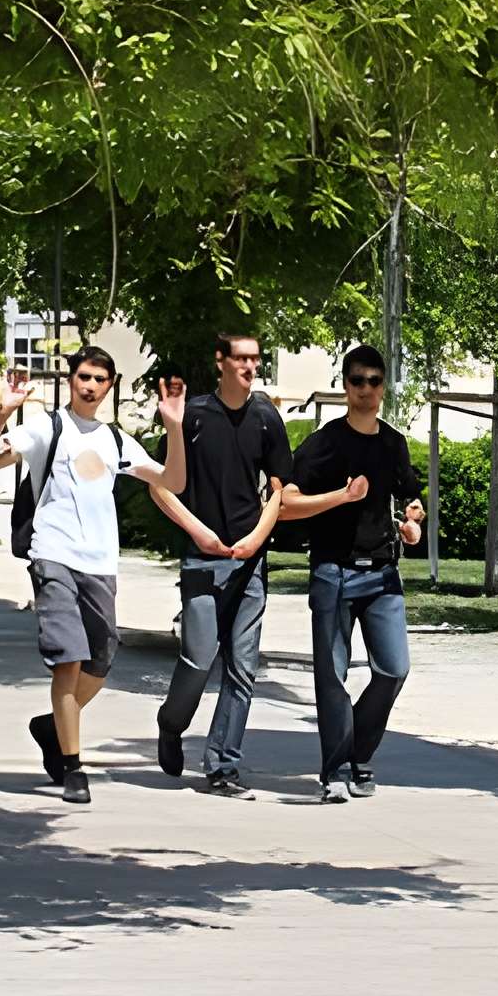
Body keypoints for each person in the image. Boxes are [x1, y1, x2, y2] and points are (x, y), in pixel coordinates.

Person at [0, 349, 189, 805]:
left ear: (110, 386)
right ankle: (73, 766)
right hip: (53, 556)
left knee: (101, 658)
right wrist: (2, 415)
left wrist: (173, 425)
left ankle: (51, 727)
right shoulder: (45, 428)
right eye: (83, 377)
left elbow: (174, 480)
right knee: (68, 659)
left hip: (100, 563)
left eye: (100, 380)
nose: (90, 386)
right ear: (71, 380)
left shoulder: (115, 440)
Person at [280, 345, 427, 802]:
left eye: (374, 381)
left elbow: (413, 498)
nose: (366, 390)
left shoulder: (392, 443)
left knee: (393, 669)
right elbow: (286, 501)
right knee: (332, 675)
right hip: (333, 572)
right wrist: (339, 499)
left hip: (382, 575)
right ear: (345, 386)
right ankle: (337, 771)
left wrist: (412, 521)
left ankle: (358, 753)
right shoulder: (325, 442)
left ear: (384, 388)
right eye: (358, 381)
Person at [151, 328, 294, 798]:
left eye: (256, 359)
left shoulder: (267, 417)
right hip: (201, 558)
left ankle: (222, 767)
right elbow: (160, 487)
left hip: (250, 562)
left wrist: (256, 539)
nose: (251, 367)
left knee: (242, 668)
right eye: (242, 360)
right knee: (197, 660)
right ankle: (171, 723)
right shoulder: (191, 417)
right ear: (221, 361)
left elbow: (278, 490)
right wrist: (201, 533)